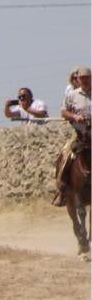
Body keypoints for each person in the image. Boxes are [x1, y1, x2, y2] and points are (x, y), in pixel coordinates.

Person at [52, 66, 90, 208]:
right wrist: (75, 116)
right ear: (78, 80)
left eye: (87, 78)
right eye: (82, 78)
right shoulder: (72, 96)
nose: (85, 81)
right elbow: (64, 112)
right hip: (80, 134)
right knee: (66, 154)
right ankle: (61, 189)